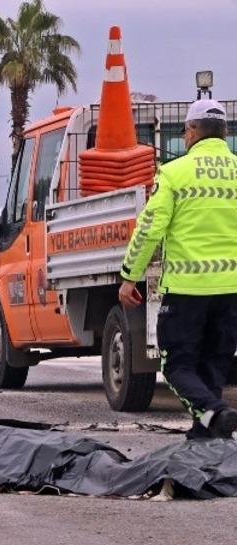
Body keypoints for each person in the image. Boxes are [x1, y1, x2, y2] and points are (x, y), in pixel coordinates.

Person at [119, 98, 237, 440]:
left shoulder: (173, 173)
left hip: (187, 290)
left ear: (191, 132)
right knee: (214, 364)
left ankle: (213, 414)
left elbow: (149, 228)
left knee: (176, 368)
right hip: (230, 291)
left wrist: (129, 276)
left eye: (186, 131)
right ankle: (208, 439)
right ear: (225, 132)